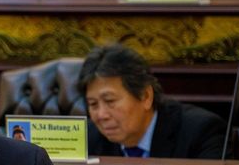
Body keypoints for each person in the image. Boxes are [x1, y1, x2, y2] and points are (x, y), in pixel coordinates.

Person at [78, 45, 225, 158]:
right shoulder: (87, 139)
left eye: (110, 101)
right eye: (93, 104)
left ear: (145, 96)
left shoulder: (200, 133)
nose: (102, 115)